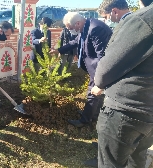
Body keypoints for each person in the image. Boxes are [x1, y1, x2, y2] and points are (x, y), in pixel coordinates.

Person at [91, 0, 153, 167]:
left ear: (114, 11)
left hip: (126, 111)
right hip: (148, 110)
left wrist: (100, 84)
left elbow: (106, 69)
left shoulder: (143, 20)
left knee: (111, 163)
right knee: (137, 160)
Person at [83, 0, 133, 167]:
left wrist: (101, 83)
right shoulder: (132, 23)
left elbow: (115, 59)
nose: (108, 20)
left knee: (114, 132)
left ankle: (106, 161)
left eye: (107, 16)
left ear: (115, 11)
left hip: (125, 92)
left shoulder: (131, 26)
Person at [50, 12, 112, 128]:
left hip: (98, 69)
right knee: (93, 93)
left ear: (77, 23)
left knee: (92, 93)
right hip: (93, 69)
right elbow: (74, 42)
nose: (71, 31)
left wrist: (99, 76)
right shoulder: (86, 26)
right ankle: (92, 114)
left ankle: (85, 120)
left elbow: (102, 56)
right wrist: (59, 50)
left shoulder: (95, 28)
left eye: (71, 28)